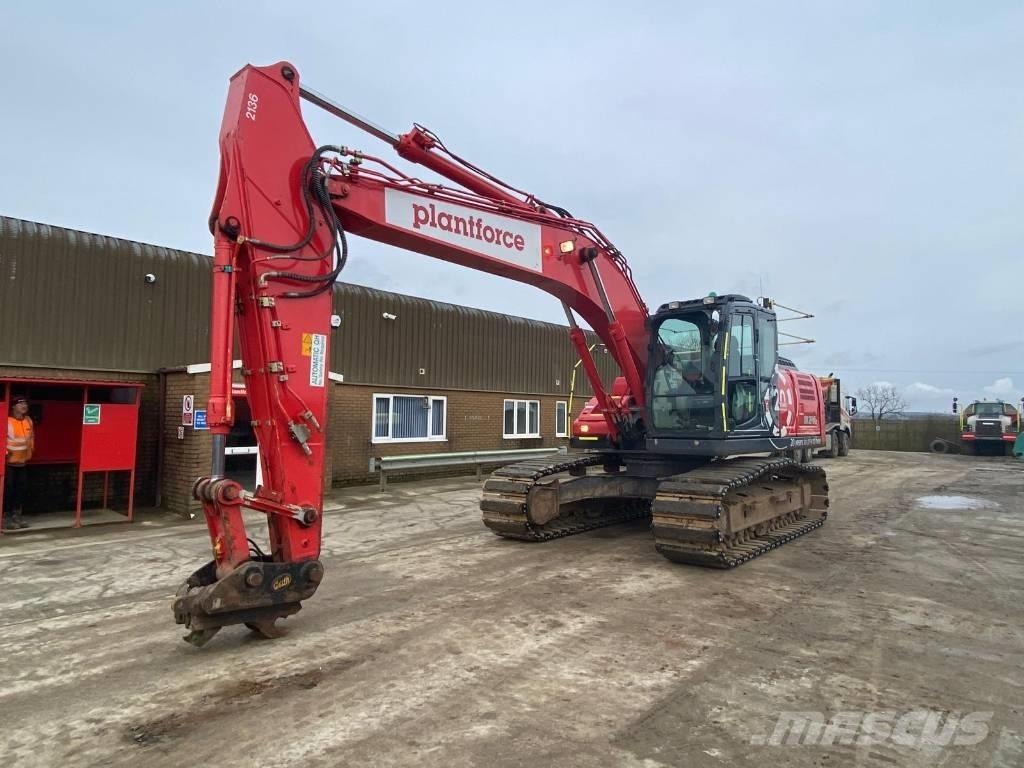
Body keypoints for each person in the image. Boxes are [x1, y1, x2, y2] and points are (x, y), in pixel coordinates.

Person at [4, 396, 34, 530]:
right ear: (13, 406)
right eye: (20, 403)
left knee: (20, 489)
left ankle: (16, 515)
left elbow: (31, 437)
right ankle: (5, 517)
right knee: (7, 489)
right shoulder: (6, 421)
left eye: (25, 403)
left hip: (22, 462)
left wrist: (30, 451)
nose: (24, 405)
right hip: (8, 463)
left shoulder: (28, 421)